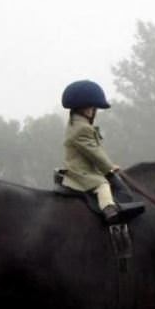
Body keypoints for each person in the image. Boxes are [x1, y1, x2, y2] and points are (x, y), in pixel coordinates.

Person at [60, 80, 122, 224]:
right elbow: (95, 153)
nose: (92, 110)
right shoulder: (83, 129)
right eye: (90, 107)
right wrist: (110, 168)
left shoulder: (75, 124)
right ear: (80, 109)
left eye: (92, 108)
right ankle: (109, 210)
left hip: (81, 168)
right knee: (102, 185)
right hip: (81, 172)